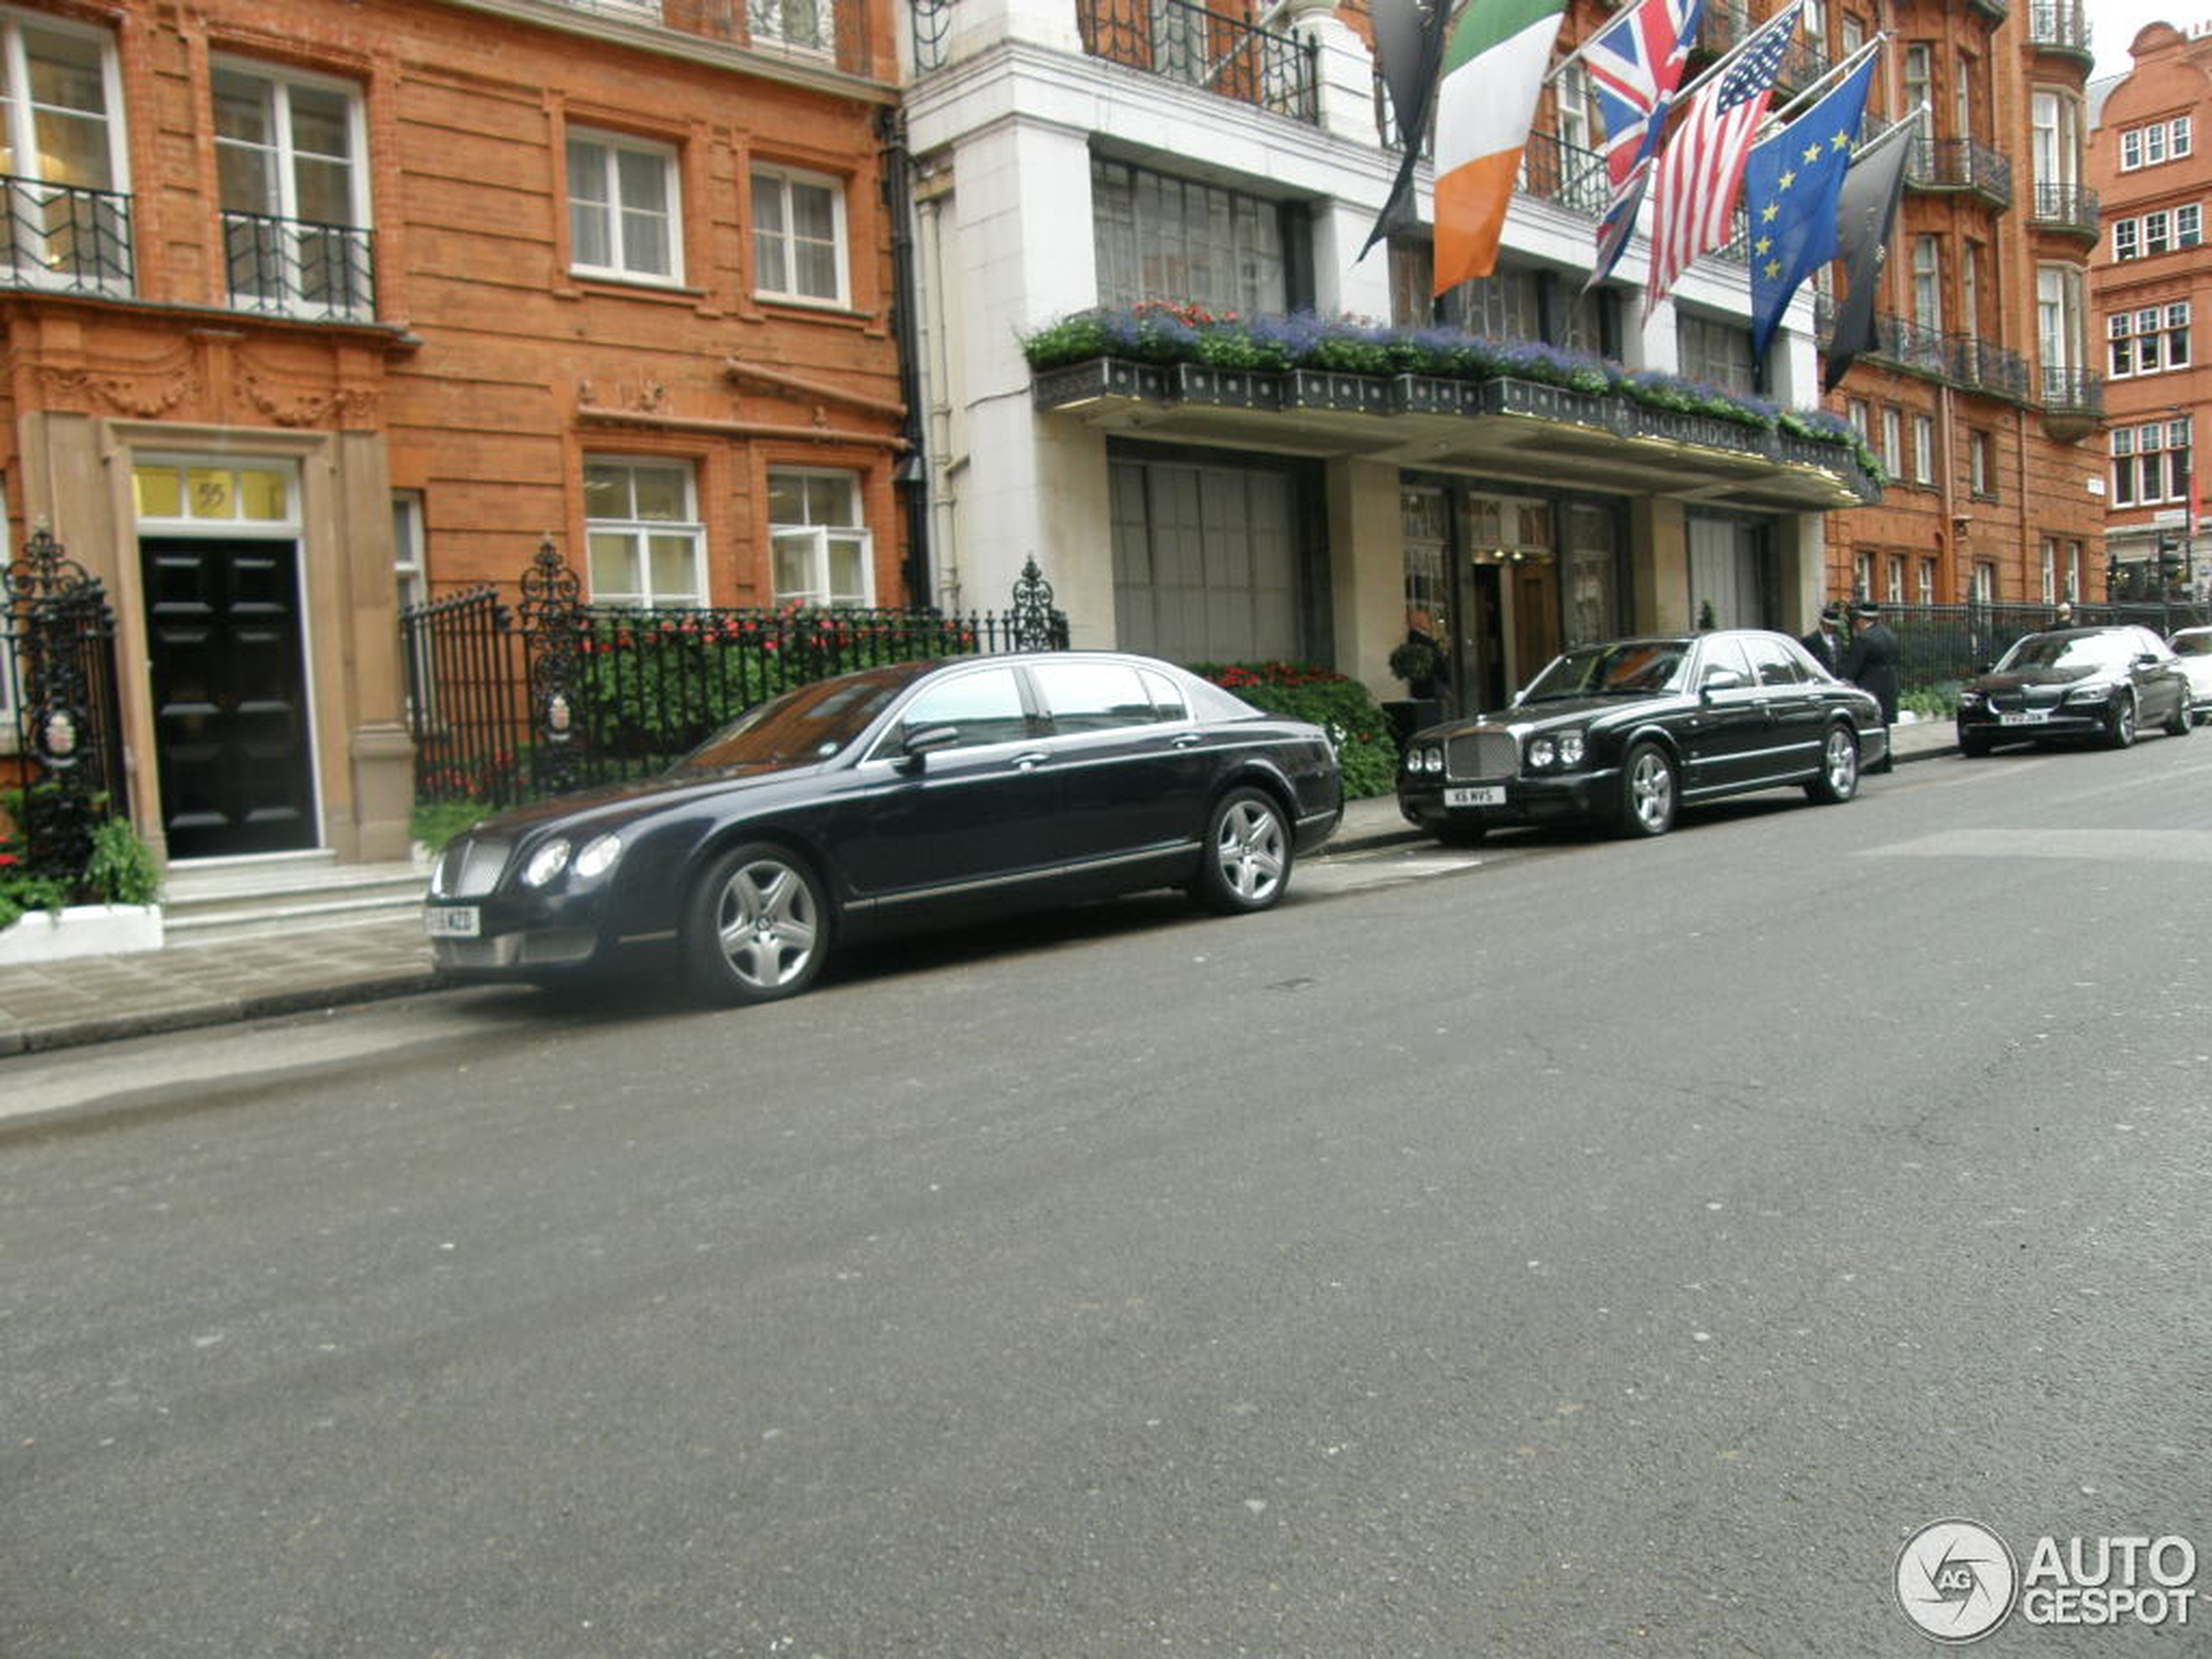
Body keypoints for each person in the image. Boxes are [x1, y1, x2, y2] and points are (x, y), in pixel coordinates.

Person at [1839, 599, 1901, 772]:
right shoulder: (1890, 635)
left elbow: (1851, 669)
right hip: (1889, 688)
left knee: (1870, 727)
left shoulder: (1864, 639)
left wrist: (1843, 682)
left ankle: (1874, 763)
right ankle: (1885, 760)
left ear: (1862, 619)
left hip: (1871, 690)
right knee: (1884, 725)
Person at [1801, 601, 1845, 675]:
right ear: (1821, 623)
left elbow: (1841, 662)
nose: (1831, 629)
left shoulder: (1837, 639)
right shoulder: (1810, 640)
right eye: (1828, 626)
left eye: (1833, 626)